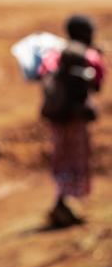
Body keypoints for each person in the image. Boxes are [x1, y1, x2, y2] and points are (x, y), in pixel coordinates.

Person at [39, 15, 104, 227]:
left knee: (61, 156)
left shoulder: (55, 53)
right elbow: (97, 84)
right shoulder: (90, 55)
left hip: (57, 117)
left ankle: (62, 202)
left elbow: (43, 75)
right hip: (77, 119)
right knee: (76, 159)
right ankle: (63, 203)